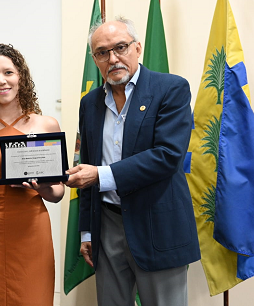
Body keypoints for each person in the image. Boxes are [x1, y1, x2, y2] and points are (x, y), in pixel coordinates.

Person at [65, 17, 200, 306]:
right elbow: (88, 162)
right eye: (102, 52)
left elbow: (167, 156)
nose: (113, 58)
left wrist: (101, 175)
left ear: (137, 48)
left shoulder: (171, 89)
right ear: (95, 59)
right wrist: (87, 230)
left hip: (158, 223)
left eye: (121, 47)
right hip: (108, 224)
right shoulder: (90, 103)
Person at [0, 44, 64, 306]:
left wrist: (41, 188)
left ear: (21, 77)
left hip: (30, 228)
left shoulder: (46, 124)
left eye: (8, 72)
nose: (1, 80)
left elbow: (58, 192)